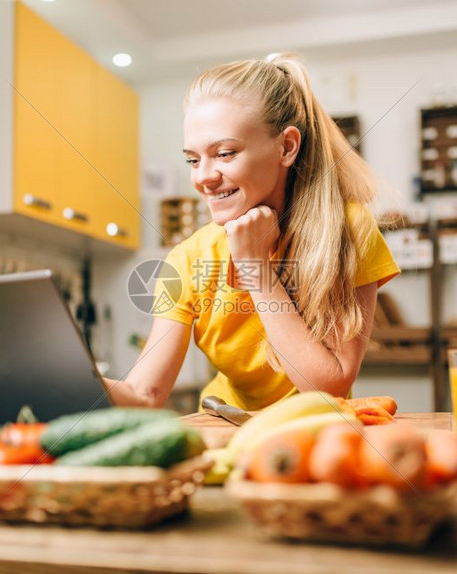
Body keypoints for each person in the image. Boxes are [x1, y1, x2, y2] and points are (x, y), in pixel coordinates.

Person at [107, 53, 400, 411]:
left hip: (310, 432)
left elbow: (330, 384)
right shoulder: (186, 260)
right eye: (193, 160)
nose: (203, 177)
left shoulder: (346, 230)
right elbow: (144, 394)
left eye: (225, 153)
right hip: (223, 429)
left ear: (286, 147)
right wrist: (71, 375)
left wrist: (255, 267)